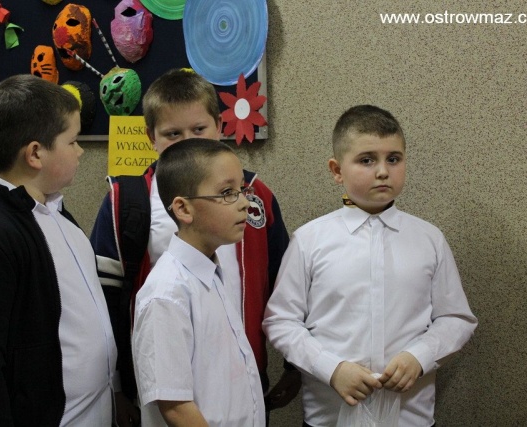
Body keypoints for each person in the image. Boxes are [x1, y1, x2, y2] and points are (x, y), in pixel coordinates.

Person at [90, 68, 299, 422]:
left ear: (219, 126)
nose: (188, 142)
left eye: (199, 129)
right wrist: (117, 387)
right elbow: (105, 303)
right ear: (151, 137)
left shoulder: (254, 197)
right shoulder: (127, 200)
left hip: (242, 380)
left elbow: (285, 285)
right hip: (172, 383)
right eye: (173, 134)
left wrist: (294, 365)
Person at [262, 105, 478, 427]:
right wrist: (331, 368)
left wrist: (419, 357)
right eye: (366, 160)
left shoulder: (429, 239)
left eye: (394, 159)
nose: (382, 171)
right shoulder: (309, 240)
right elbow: (281, 321)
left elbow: (456, 318)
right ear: (337, 170)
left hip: (409, 416)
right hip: (330, 416)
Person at [0, 74, 118, 426]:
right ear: (35, 153)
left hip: (98, 409)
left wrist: (115, 390)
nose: (80, 151)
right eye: (72, 141)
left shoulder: (58, 214)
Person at [132, 138, 265, 426]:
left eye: (242, 190)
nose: (245, 203)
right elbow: (176, 407)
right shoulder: (167, 294)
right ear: (183, 209)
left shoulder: (210, 273)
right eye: (227, 193)